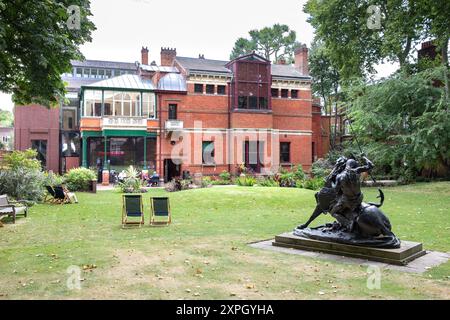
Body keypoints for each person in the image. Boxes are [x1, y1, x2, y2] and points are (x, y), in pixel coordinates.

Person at [329, 156, 374, 231]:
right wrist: (364, 157)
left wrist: (331, 181)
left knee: (333, 212)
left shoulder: (339, 176)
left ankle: (348, 223)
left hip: (348, 201)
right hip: (359, 198)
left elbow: (335, 189)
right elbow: (371, 165)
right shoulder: (357, 170)